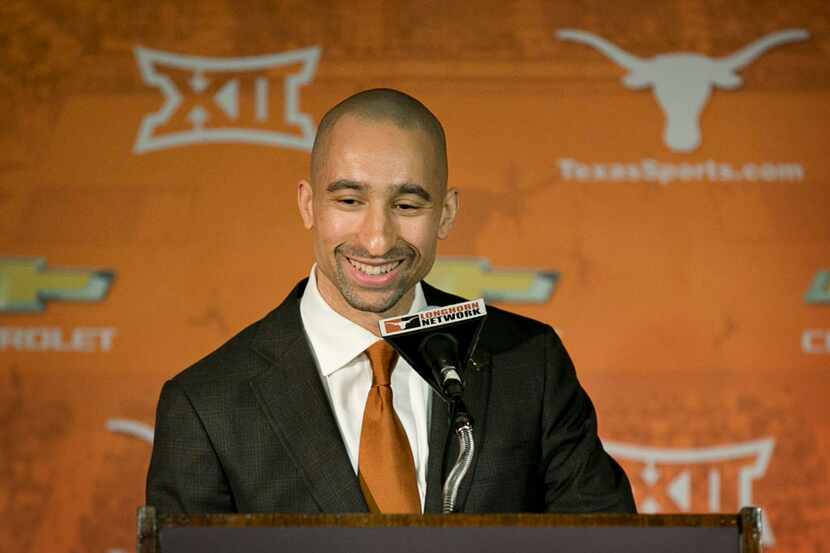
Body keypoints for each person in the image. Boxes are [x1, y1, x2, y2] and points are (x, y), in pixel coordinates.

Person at [146, 88, 635, 514]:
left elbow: (608, 542)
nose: (377, 240)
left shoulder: (528, 361)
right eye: (349, 201)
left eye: (407, 205)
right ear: (308, 204)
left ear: (445, 214)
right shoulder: (206, 405)